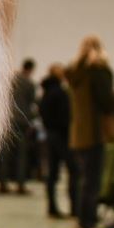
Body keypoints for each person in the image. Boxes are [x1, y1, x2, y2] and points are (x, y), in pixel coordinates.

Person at [66, 36, 114, 228]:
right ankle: (89, 222)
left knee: (83, 179)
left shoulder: (75, 73)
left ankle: (83, 219)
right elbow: (107, 103)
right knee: (93, 181)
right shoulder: (98, 72)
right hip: (95, 134)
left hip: (79, 135)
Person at [39, 64, 78, 218]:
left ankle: (52, 207)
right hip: (62, 136)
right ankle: (75, 207)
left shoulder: (46, 92)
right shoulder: (60, 93)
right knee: (74, 170)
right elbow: (65, 117)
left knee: (52, 173)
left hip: (50, 135)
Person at [0, 59, 37, 194]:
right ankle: (20, 184)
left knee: (5, 155)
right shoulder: (29, 84)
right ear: (31, 69)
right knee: (21, 154)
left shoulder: (8, 81)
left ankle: (2, 184)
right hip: (22, 122)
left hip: (7, 121)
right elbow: (32, 103)